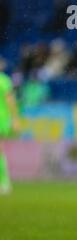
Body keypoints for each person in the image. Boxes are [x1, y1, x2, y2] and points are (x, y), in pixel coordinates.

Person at [0, 57, 20, 195]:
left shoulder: (3, 80)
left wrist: (14, 118)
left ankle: (4, 182)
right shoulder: (4, 80)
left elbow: (10, 100)